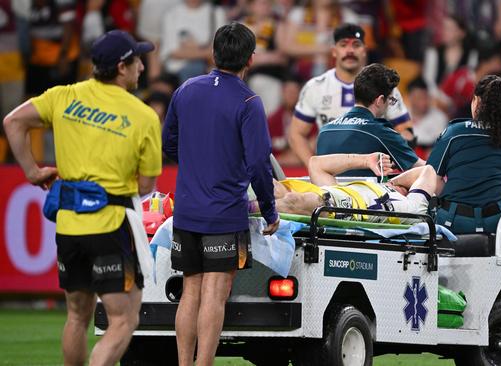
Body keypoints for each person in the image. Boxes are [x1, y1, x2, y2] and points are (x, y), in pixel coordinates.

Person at [3, 30, 161, 365]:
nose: (142, 69)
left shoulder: (63, 96)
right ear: (122, 67)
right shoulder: (143, 116)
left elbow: (13, 121)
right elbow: (147, 186)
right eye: (137, 61)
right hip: (111, 224)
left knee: (77, 317)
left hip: (69, 226)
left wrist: (32, 172)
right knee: (123, 320)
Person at [162, 23, 280, 366]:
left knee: (190, 291)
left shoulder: (185, 90)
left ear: (214, 53)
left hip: (186, 211)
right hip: (225, 213)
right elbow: (259, 163)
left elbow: (169, 142)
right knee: (214, 294)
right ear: (251, 59)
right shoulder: (248, 101)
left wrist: (199, 159)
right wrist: (271, 211)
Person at [427, 75, 501, 267]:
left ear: (477, 102)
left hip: (452, 221)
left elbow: (431, 176)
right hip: (498, 221)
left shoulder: (454, 133)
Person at [289, 23, 413, 167]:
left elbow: (406, 131)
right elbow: (296, 134)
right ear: (334, 51)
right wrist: (314, 166)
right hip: (330, 174)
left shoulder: (384, 86)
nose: (350, 50)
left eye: (356, 45)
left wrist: (391, 162)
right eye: (343, 45)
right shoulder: (316, 87)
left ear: (364, 50)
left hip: (372, 174)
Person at [248, 152, 437, 225]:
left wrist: (393, 184)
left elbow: (427, 171)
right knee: (277, 188)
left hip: (343, 210)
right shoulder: (366, 188)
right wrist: (366, 160)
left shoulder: (414, 208)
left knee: (294, 201)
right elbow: (316, 164)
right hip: (333, 197)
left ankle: (242, 208)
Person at [316, 63, 424, 176]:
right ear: (380, 100)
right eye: (390, 99)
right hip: (362, 193)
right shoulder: (380, 130)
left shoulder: (324, 130)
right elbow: (422, 168)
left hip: (327, 192)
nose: (389, 104)